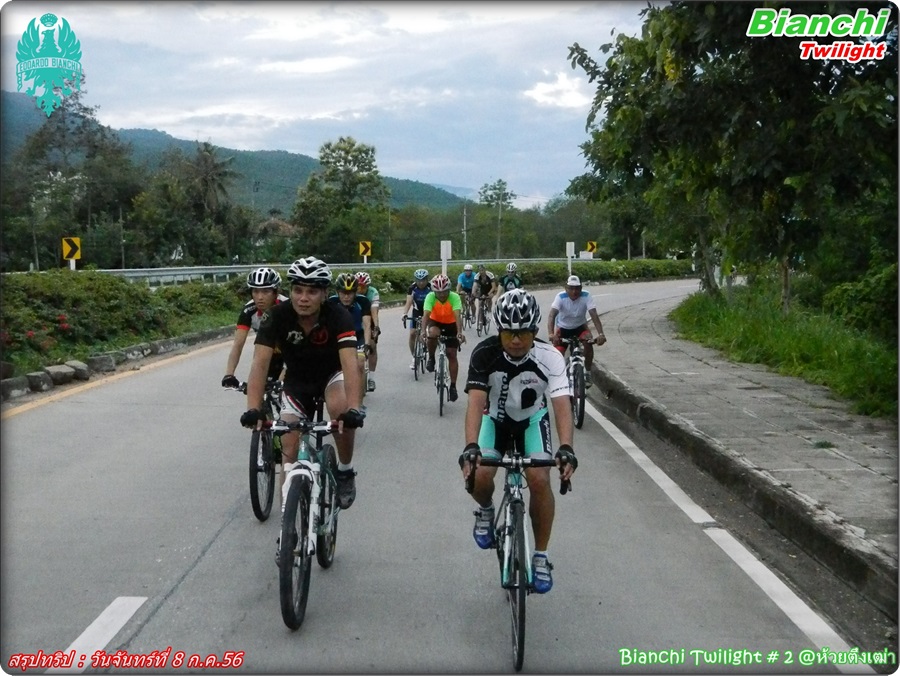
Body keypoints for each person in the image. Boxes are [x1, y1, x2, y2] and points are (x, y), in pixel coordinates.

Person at [459, 289, 577, 594]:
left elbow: (562, 404)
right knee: (479, 473)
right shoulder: (484, 353)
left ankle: (541, 556)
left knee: (539, 479)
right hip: (495, 422)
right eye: (508, 332)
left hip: (531, 422)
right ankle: (486, 509)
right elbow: (475, 403)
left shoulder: (550, 357)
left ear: (534, 331)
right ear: (499, 330)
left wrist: (566, 448)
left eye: (523, 333)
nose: (515, 340)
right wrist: (471, 446)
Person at [240, 257, 365, 513]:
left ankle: (345, 469)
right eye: (298, 290)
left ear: (324, 294)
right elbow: (259, 365)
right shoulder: (276, 316)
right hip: (297, 381)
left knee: (340, 408)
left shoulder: (338, 316)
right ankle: (287, 521)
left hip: (330, 375)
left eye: (312, 292)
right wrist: (253, 408)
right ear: (290, 291)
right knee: (288, 442)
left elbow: (350, 365)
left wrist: (354, 408)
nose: (303, 298)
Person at [222, 267, 287, 389]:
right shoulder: (249, 311)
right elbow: (238, 345)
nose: (260, 297)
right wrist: (229, 374)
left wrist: (281, 380)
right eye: (256, 291)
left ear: (276, 292)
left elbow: (296, 351)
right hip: (268, 353)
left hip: (291, 353)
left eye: (266, 292)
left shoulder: (287, 308)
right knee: (257, 389)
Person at [546, 275, 607, 388]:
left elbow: (594, 315)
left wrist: (601, 334)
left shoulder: (586, 296)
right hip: (563, 329)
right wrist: (551, 334)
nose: (574, 292)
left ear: (581, 288)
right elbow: (551, 315)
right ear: (566, 288)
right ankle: (557, 378)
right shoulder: (560, 297)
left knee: (588, 343)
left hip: (580, 328)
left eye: (577, 288)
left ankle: (587, 373)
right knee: (557, 354)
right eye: (571, 288)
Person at [328, 272, 374, 402]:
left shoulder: (363, 301)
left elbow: (367, 324)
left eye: (350, 293)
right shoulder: (331, 302)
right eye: (343, 293)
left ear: (355, 293)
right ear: (337, 292)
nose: (346, 297)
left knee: (360, 363)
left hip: (357, 336)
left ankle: (358, 402)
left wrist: (367, 344)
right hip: (338, 337)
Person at [421, 273, 466, 402]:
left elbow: (457, 316)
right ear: (434, 291)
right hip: (436, 322)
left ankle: (453, 386)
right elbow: (426, 315)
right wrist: (423, 332)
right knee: (432, 333)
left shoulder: (454, 297)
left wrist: (459, 332)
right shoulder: (430, 297)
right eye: (438, 292)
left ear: (449, 290)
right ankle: (431, 358)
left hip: (451, 324)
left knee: (451, 354)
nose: (441, 295)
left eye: (444, 292)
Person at [401, 268, 432, 369]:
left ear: (427, 280)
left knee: (428, 332)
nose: (421, 283)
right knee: (412, 333)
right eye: (418, 280)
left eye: (423, 280)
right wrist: (405, 313)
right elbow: (409, 302)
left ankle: (427, 348)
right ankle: (414, 357)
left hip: (429, 311)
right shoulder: (412, 288)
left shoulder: (431, 287)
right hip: (417, 311)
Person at [355, 271, 380, 392]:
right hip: (356, 318)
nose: (360, 290)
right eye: (358, 287)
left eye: (363, 287)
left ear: (367, 286)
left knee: (372, 346)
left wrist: (376, 327)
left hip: (369, 317)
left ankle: (371, 378)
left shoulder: (373, 292)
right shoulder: (351, 293)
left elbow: (374, 312)